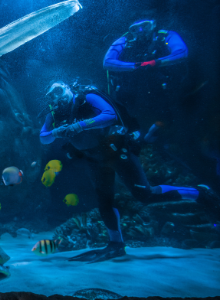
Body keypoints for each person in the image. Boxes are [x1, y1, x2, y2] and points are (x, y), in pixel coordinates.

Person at [39, 81, 220, 263]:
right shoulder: (54, 113)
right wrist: (56, 132)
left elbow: (110, 115)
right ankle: (116, 244)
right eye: (52, 96)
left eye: (59, 92)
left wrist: (80, 126)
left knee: (144, 194)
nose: (57, 98)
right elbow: (43, 137)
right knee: (104, 200)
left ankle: (198, 193)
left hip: (116, 149)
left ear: (68, 90)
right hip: (94, 157)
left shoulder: (86, 97)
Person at [103, 20, 188, 128]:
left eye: (145, 25)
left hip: (161, 89)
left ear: (154, 25)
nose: (141, 30)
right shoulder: (124, 40)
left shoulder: (166, 35)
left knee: (166, 116)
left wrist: (155, 63)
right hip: (131, 92)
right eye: (135, 28)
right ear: (131, 30)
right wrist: (135, 66)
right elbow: (107, 62)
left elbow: (182, 52)